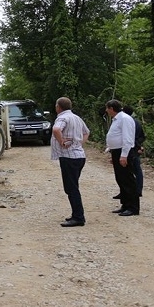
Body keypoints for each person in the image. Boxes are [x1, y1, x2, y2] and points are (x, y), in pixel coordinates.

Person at [51, 97, 90, 227]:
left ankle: (78, 217)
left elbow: (56, 129)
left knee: (71, 188)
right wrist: (79, 144)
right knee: (73, 186)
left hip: (68, 157)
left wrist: (61, 141)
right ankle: (76, 214)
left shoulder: (62, 118)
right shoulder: (76, 118)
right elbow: (86, 132)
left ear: (58, 107)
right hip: (79, 156)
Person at [105, 99, 139, 216]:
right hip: (117, 151)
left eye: (107, 108)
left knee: (127, 179)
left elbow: (127, 138)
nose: (106, 111)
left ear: (111, 108)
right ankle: (125, 204)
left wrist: (124, 155)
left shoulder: (124, 119)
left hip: (124, 151)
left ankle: (133, 207)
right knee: (120, 179)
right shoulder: (117, 119)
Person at [119, 105, 145, 198]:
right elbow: (142, 136)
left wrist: (136, 145)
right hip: (135, 148)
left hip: (131, 149)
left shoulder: (127, 122)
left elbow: (130, 137)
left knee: (133, 170)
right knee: (135, 170)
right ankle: (133, 190)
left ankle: (135, 191)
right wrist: (139, 145)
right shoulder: (136, 122)